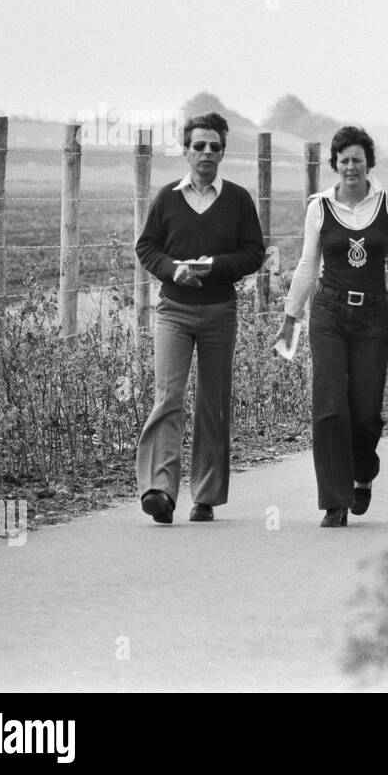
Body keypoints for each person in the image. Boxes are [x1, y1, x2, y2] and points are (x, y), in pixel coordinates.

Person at [276, 126, 388, 527]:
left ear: (369, 163)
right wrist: (291, 315)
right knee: (329, 405)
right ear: (335, 165)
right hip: (330, 314)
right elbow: (308, 264)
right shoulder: (319, 207)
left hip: (373, 315)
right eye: (344, 160)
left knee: (365, 411)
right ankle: (334, 501)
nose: (351, 166)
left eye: (358, 159)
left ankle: (363, 472)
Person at [134, 112, 265, 524]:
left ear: (223, 151)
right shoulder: (167, 198)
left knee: (212, 403)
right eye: (198, 145)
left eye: (214, 146)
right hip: (173, 311)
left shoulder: (239, 200)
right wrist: (174, 270)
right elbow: (147, 247)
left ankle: (205, 496)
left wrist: (215, 266)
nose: (206, 153)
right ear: (186, 150)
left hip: (219, 312)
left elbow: (253, 253)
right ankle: (159, 490)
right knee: (167, 397)